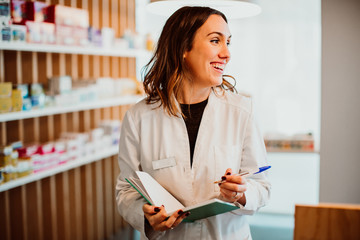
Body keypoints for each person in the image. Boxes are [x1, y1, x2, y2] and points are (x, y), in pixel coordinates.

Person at [116, 6, 270, 240]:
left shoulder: (241, 111)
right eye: (216, 41)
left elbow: (261, 185)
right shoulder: (139, 117)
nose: (227, 53)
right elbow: (126, 190)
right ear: (183, 48)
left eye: (228, 42)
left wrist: (241, 193)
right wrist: (147, 216)